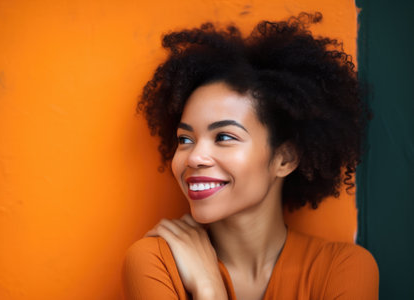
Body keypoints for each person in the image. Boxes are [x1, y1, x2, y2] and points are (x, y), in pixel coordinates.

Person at [121, 12, 379, 300]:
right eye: (185, 139)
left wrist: (210, 289)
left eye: (224, 137)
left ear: (284, 159)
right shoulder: (155, 262)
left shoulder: (343, 268)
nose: (194, 158)